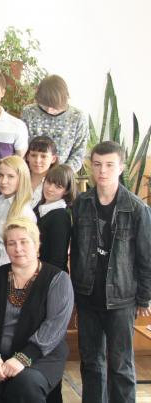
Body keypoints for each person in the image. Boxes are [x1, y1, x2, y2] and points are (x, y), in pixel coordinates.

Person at [71, 141, 151, 403]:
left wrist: (144, 298)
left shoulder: (138, 209)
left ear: (121, 167)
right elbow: (76, 250)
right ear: (91, 167)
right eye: (97, 164)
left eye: (109, 165)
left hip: (122, 300)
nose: (102, 171)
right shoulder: (81, 204)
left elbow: (146, 257)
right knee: (91, 363)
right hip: (87, 296)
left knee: (121, 365)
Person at [0, 217, 73, 403]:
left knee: (26, 383)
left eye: (24, 242)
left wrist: (23, 358)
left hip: (41, 355)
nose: (18, 248)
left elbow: (54, 326)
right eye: (11, 243)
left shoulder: (58, 279)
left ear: (37, 244)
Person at [22, 74, 89, 173]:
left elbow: (79, 153)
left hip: (62, 175)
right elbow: (21, 146)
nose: (49, 110)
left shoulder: (77, 117)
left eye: (54, 106)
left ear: (64, 99)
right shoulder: (29, 112)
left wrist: (61, 174)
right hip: (31, 173)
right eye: (44, 105)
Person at [0, 155, 36, 267]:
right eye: (0, 175)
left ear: (21, 179)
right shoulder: (1, 200)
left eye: (10, 176)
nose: (3, 181)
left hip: (10, 268)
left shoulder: (24, 212)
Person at [36, 164, 76, 271]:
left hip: (50, 275)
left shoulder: (60, 216)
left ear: (66, 191)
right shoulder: (39, 208)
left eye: (58, 187)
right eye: (48, 182)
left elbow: (57, 259)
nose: (50, 189)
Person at [25, 136, 58, 208]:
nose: (37, 160)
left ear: (53, 159)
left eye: (43, 156)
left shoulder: (58, 184)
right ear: (27, 157)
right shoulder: (19, 179)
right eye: (33, 155)